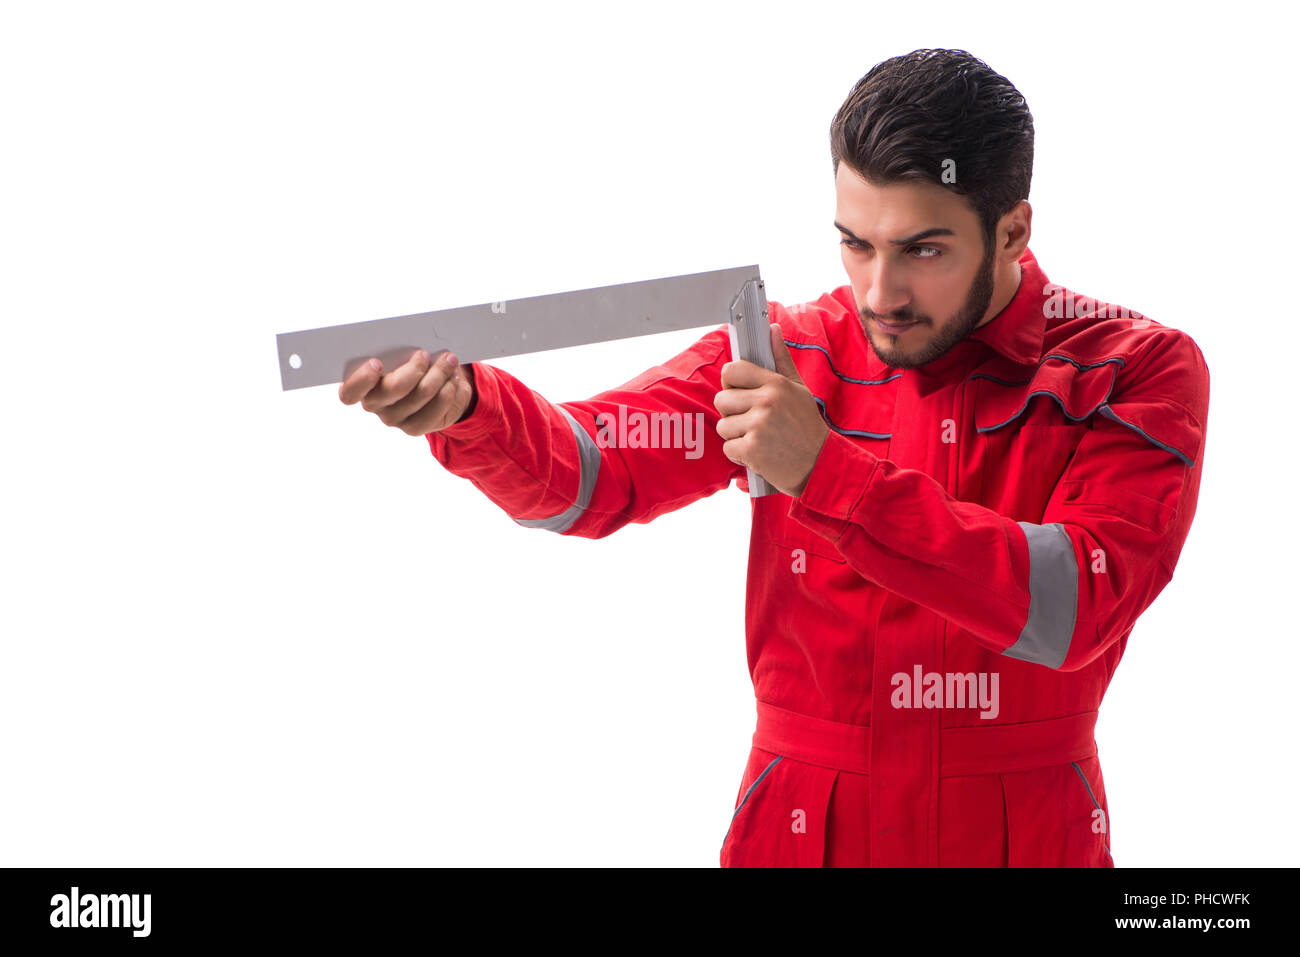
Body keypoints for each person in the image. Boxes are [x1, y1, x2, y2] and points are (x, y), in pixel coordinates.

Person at [338, 49, 1209, 867]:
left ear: (1014, 229)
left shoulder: (1133, 368)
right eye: (856, 242)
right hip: (801, 824)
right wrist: (472, 409)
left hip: (1024, 830)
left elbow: (1075, 603)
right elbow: (593, 475)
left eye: (923, 250)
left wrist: (825, 471)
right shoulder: (791, 351)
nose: (880, 292)